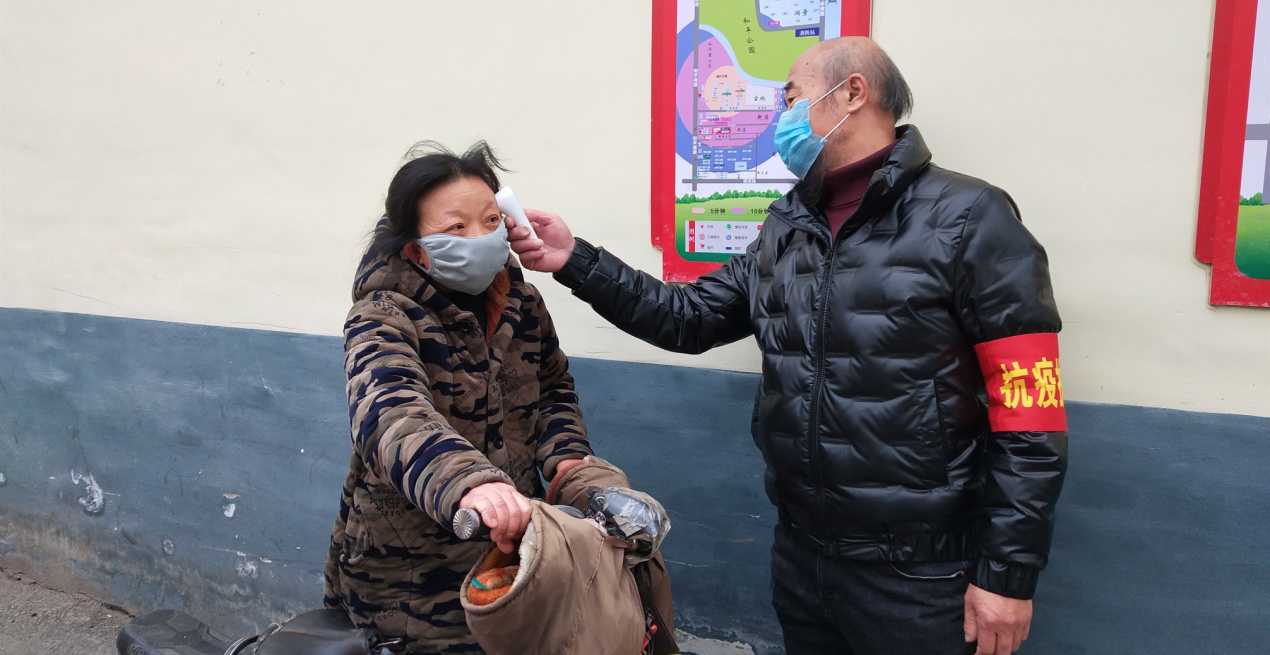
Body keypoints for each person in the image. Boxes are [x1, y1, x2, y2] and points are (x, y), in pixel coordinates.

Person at [509, 37, 1067, 655]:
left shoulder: (970, 216)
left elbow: (1030, 414)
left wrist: (1006, 576)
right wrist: (575, 260)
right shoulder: (789, 225)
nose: (782, 117)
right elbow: (687, 318)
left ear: (852, 94)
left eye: (792, 98)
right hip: (804, 557)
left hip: (921, 574)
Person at [323, 142, 594, 653]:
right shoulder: (383, 315)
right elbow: (390, 413)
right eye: (456, 227)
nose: (481, 238)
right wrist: (470, 484)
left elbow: (553, 389)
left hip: (512, 556)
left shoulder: (522, 302)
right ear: (417, 250)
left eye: (491, 220)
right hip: (410, 578)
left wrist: (568, 461)